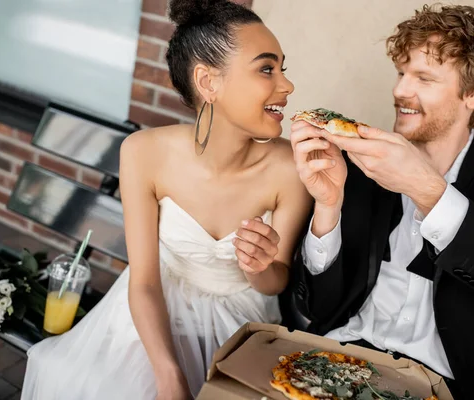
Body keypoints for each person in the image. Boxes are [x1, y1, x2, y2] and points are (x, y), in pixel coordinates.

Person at [21, 0, 311, 399]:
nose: (287, 85)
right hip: (153, 308)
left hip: (241, 323)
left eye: (282, 68)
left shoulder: (290, 167)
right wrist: (169, 375)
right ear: (208, 82)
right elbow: (142, 281)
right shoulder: (143, 152)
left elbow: (275, 281)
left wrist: (259, 267)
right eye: (266, 69)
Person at [289, 4, 474, 400]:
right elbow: (319, 307)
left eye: (424, 77)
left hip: (453, 386)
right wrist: (328, 206)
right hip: (337, 360)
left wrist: (429, 192)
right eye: (402, 73)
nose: (400, 90)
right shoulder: (357, 164)